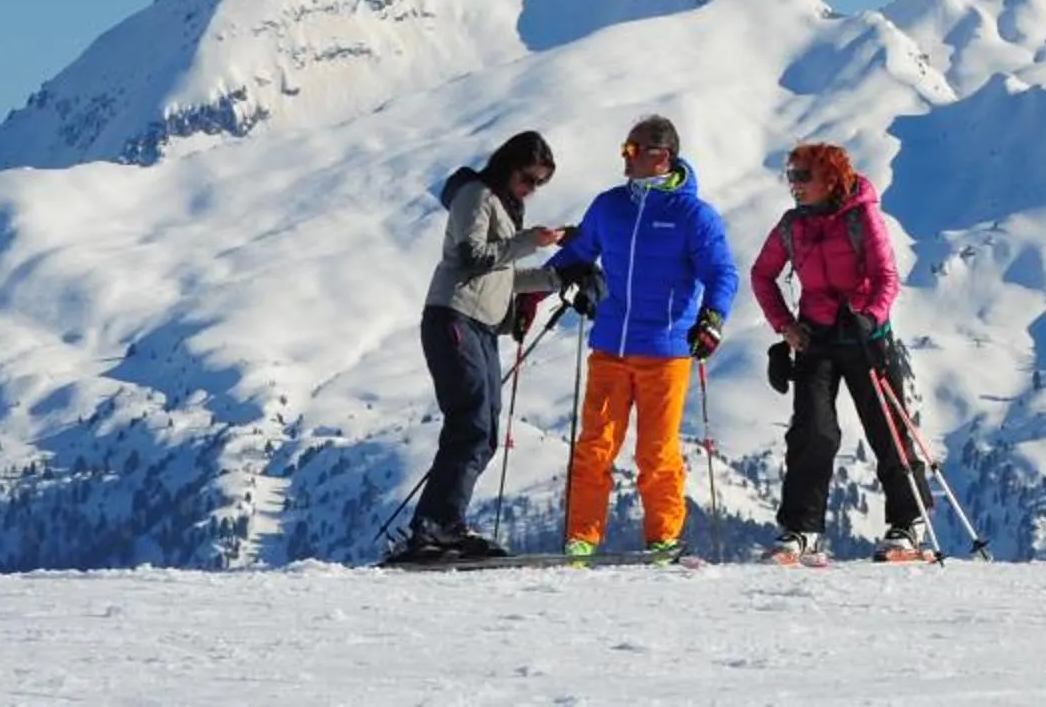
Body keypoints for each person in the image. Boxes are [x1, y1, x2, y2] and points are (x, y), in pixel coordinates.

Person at [545, 115, 738, 561]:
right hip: (611, 344)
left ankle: (663, 539)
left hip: (666, 350)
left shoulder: (693, 215)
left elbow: (721, 272)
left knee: (656, 450)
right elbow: (575, 253)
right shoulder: (609, 206)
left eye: (633, 151)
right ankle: (580, 539)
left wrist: (712, 318)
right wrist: (535, 293)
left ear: (662, 157)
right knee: (594, 446)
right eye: (624, 150)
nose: (625, 159)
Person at [751, 141, 929, 563]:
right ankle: (801, 530)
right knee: (812, 431)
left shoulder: (861, 216)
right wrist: (785, 326)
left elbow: (886, 275)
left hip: (866, 338)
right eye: (790, 176)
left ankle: (909, 524)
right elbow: (762, 275)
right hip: (816, 339)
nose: (794, 185)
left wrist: (870, 316)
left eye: (802, 176)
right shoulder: (792, 225)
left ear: (830, 179)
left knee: (887, 430)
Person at [396, 131, 566, 563]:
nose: (531, 189)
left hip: (480, 325)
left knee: (485, 430)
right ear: (509, 165)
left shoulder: (504, 208)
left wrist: (559, 277)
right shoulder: (476, 194)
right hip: (455, 316)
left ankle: (446, 524)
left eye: (539, 183)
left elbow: (501, 276)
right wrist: (530, 241)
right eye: (528, 178)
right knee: (470, 422)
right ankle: (432, 527)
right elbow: (473, 256)